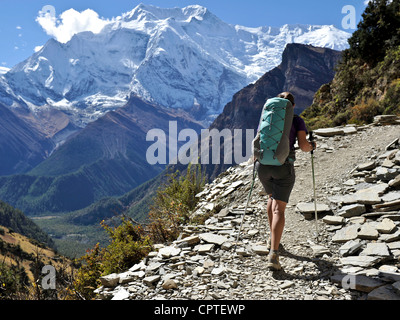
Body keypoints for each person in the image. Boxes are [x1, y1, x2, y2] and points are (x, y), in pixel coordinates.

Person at [255, 92, 316, 271]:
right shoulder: (297, 120)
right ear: (292, 106)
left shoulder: (267, 117)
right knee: (279, 208)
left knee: (271, 197)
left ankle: (272, 239)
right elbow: (304, 146)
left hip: (262, 166)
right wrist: (312, 146)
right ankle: (274, 253)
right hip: (283, 166)